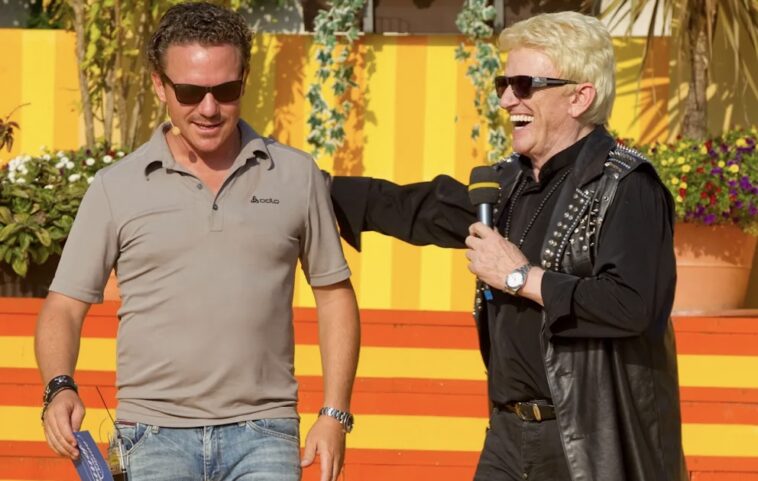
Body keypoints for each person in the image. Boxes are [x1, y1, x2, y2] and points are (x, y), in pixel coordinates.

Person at [328, 11, 686, 481]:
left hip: (587, 441)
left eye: (523, 85)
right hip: (507, 433)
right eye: (503, 83)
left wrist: (521, 277)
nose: (506, 99)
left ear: (579, 97)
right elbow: (416, 207)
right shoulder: (507, 185)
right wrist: (309, 190)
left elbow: (632, 304)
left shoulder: (626, 186)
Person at [34, 3, 360, 481]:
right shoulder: (115, 187)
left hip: (266, 435)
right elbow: (63, 306)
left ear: (244, 81)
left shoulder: (296, 175)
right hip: (152, 437)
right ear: (159, 86)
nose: (208, 108)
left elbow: (334, 296)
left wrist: (335, 415)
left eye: (225, 91)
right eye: (189, 92)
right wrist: (59, 386)